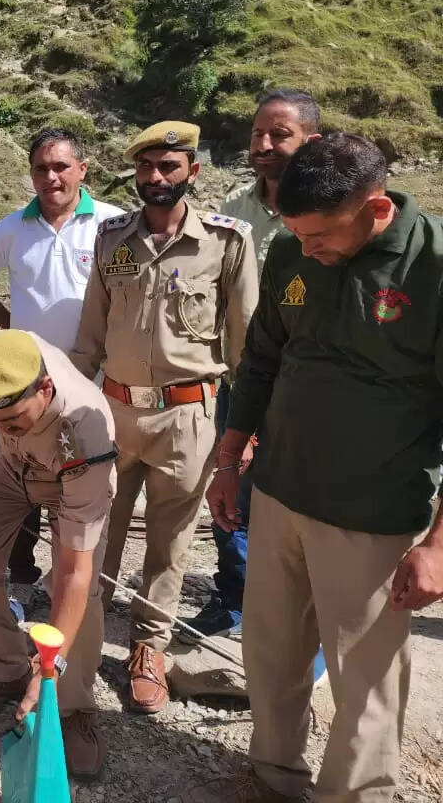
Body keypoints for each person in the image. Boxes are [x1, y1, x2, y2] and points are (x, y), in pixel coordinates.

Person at [194, 134, 443, 803]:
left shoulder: (434, 267)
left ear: (378, 210)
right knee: (271, 657)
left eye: (322, 237)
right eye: (296, 234)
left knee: (365, 681)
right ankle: (275, 776)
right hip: (279, 492)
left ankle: (353, 795)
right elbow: (263, 363)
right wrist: (228, 462)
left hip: (373, 516)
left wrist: (439, 546)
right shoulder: (289, 251)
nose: (308, 250)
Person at [70, 120, 257, 715]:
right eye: (147, 167)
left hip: (188, 417)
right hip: (118, 412)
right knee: (99, 530)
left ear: (192, 173)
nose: (156, 177)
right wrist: (72, 406)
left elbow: (246, 346)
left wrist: (246, 429)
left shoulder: (228, 242)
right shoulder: (112, 239)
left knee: (171, 543)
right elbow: (89, 337)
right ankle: (81, 632)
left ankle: (148, 649)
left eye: (169, 167)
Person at [182, 89, 322, 641]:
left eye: (279, 135)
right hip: (241, 381)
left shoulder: (332, 211)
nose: (264, 145)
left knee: (299, 500)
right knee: (230, 491)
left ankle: (293, 611)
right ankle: (236, 599)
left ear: (310, 140)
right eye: (258, 134)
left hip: (311, 388)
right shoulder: (231, 214)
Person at [0, 330, 117, 778]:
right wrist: (9, 436)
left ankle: (70, 706)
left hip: (69, 477)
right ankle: (6, 669)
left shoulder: (87, 431)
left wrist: (53, 666)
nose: (4, 428)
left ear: (45, 389)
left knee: (84, 596)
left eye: (15, 421)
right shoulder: (6, 360)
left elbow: (74, 572)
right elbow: (7, 426)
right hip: (9, 466)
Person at [0, 128, 124, 595]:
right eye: (41, 168)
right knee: (20, 473)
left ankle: (75, 584)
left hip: (92, 380)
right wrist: (10, 325)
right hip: (25, 384)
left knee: (81, 478)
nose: (50, 177)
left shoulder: (113, 225)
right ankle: (18, 576)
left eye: (60, 167)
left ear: (82, 169)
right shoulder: (11, 229)